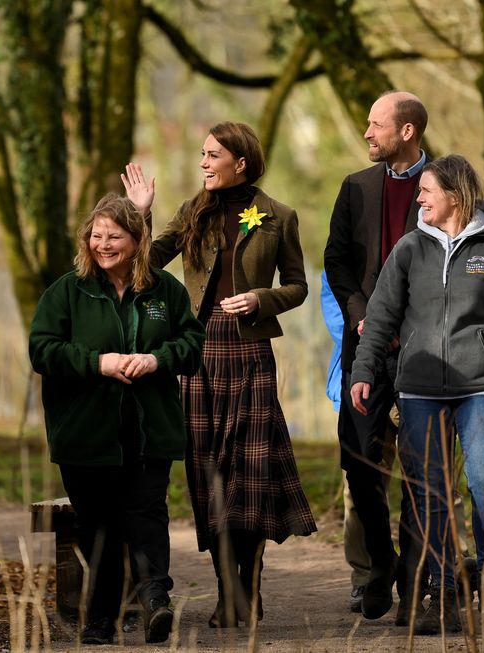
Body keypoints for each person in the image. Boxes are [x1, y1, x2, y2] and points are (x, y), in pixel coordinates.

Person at [350, 154, 484, 635]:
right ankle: (443, 591)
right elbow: (380, 317)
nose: (418, 198)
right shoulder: (408, 249)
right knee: (430, 493)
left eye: (426, 190)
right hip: (420, 388)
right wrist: (363, 371)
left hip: (482, 384)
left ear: (454, 195)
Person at [122, 121, 317, 628]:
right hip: (198, 353)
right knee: (208, 475)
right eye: (202, 154)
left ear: (241, 162)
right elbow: (145, 263)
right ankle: (225, 590)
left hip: (250, 353)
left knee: (248, 479)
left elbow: (297, 285)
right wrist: (138, 214)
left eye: (213, 155)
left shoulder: (278, 217)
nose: (204, 163)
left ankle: (247, 592)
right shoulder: (192, 211)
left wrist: (260, 298)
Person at [28, 193, 205, 645]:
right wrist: (97, 362)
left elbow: (191, 344)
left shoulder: (164, 291)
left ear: (138, 239)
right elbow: (42, 349)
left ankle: (154, 600)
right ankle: (100, 618)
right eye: (96, 235)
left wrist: (156, 360)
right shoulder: (68, 291)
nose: (103, 244)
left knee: (147, 513)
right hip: (86, 434)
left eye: (115, 237)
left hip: (149, 430)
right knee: (97, 525)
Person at [323, 90, 429, 623]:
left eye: (375, 124)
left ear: (406, 131)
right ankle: (382, 564)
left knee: (420, 468)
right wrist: (364, 313)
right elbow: (336, 261)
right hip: (364, 347)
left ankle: (414, 580)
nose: (366, 132)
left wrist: (400, 320)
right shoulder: (355, 187)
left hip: (422, 351)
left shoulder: (446, 187)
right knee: (359, 461)